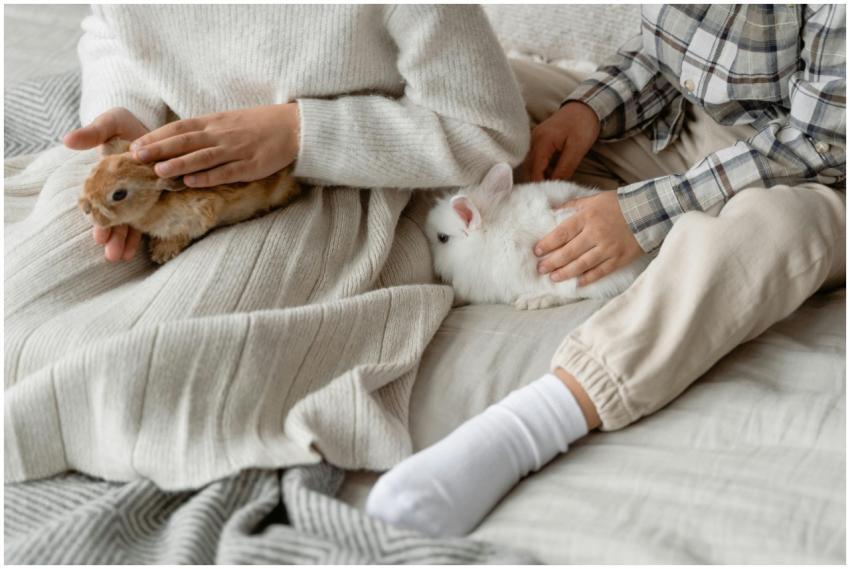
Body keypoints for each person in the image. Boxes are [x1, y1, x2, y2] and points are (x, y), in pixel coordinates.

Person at [366, 4, 846, 537]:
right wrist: (584, 114)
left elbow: (822, 144)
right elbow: (671, 52)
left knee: (770, 228)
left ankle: (538, 420)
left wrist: (641, 214)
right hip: (689, 125)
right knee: (479, 98)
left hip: (816, 173)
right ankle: (350, 276)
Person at [62, 5, 530, 261]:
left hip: (344, 184)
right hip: (163, 174)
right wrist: (123, 109)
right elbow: (113, 30)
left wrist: (298, 132)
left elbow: (488, 133)